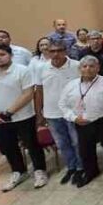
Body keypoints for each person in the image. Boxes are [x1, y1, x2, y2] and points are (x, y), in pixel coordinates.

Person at [0, 44, 48, 191]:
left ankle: (40, 170)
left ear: (11, 56)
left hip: (23, 117)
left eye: (2, 54)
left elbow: (28, 94)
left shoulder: (22, 71)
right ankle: (19, 171)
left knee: (32, 145)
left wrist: (8, 112)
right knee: (8, 147)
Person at [58, 56, 103, 187]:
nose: (88, 69)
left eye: (92, 66)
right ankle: (91, 172)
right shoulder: (71, 85)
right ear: (79, 69)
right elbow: (62, 104)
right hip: (81, 122)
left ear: (98, 68)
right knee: (85, 150)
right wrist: (74, 118)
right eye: (84, 66)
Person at [34, 41, 83, 185]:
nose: (56, 54)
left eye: (59, 50)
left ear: (66, 51)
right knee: (62, 143)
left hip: (74, 112)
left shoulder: (77, 65)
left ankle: (81, 167)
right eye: (52, 51)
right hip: (52, 113)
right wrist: (39, 113)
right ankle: (71, 167)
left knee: (77, 141)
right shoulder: (41, 68)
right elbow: (39, 91)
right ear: (47, 52)